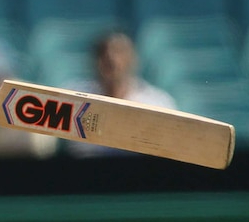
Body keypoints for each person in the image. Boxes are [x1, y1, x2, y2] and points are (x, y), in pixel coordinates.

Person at [63, 30, 177, 158]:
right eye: (103, 52)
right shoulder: (75, 99)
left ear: (133, 58)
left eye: (119, 52)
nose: (111, 59)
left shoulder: (157, 103)